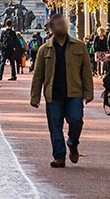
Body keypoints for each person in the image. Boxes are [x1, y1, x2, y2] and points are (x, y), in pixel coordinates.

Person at [30, 14, 94, 168]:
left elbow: (86, 71)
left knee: (76, 120)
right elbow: (38, 75)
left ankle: (72, 143)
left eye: (63, 24)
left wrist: (88, 92)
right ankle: (59, 156)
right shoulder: (44, 50)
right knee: (55, 126)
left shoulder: (80, 46)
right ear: (52, 28)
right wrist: (35, 96)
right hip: (54, 94)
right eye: (58, 24)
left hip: (74, 92)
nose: (61, 27)